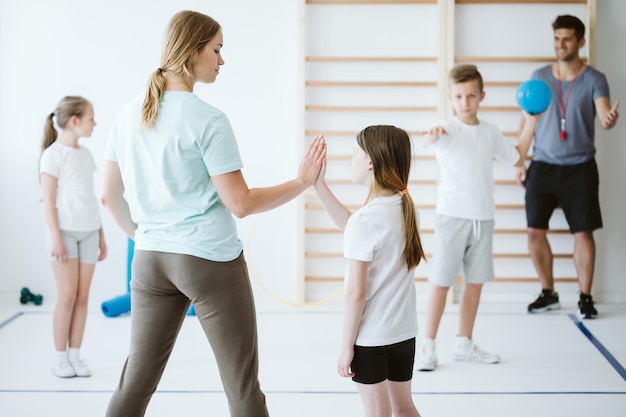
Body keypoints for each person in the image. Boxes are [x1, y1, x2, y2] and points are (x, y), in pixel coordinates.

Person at [100, 10, 325, 417]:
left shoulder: (126, 114)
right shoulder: (208, 120)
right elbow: (241, 203)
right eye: (217, 50)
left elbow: (109, 197)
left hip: (150, 261)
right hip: (208, 262)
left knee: (134, 383)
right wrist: (302, 182)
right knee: (242, 388)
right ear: (191, 51)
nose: (222, 60)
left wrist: (146, 237)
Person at [416, 64, 538, 371]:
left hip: (483, 219)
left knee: (475, 283)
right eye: (458, 96)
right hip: (452, 218)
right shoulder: (446, 129)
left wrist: (530, 121)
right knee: (440, 283)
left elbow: (517, 156)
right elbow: (428, 140)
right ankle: (428, 346)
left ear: (481, 95)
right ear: (450, 97)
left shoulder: (490, 132)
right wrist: (433, 134)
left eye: (471, 95)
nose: (465, 102)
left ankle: (464, 343)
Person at [314, 125, 426, 417]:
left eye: (354, 154)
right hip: (404, 335)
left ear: (372, 163)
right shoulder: (402, 205)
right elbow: (353, 226)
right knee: (404, 409)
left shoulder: (366, 220)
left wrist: (346, 347)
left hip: (372, 340)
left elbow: (356, 293)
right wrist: (319, 186)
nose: (350, 160)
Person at [517, 15, 619, 319]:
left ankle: (585, 297)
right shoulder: (539, 77)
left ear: (580, 42)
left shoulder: (594, 79)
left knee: (583, 234)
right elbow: (525, 122)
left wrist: (608, 120)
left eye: (567, 39)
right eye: (557, 38)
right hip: (543, 165)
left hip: (580, 167)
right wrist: (519, 162)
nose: (561, 44)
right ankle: (548, 292)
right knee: (534, 232)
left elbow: (603, 114)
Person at [39, 96, 108, 378]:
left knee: (82, 296)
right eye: (91, 118)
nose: (95, 123)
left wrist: (101, 235)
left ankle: (76, 356)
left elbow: (90, 198)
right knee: (66, 296)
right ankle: (60, 357)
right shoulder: (52, 155)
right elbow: (48, 200)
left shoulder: (86, 155)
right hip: (64, 233)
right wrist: (56, 237)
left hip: (89, 231)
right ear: (74, 121)